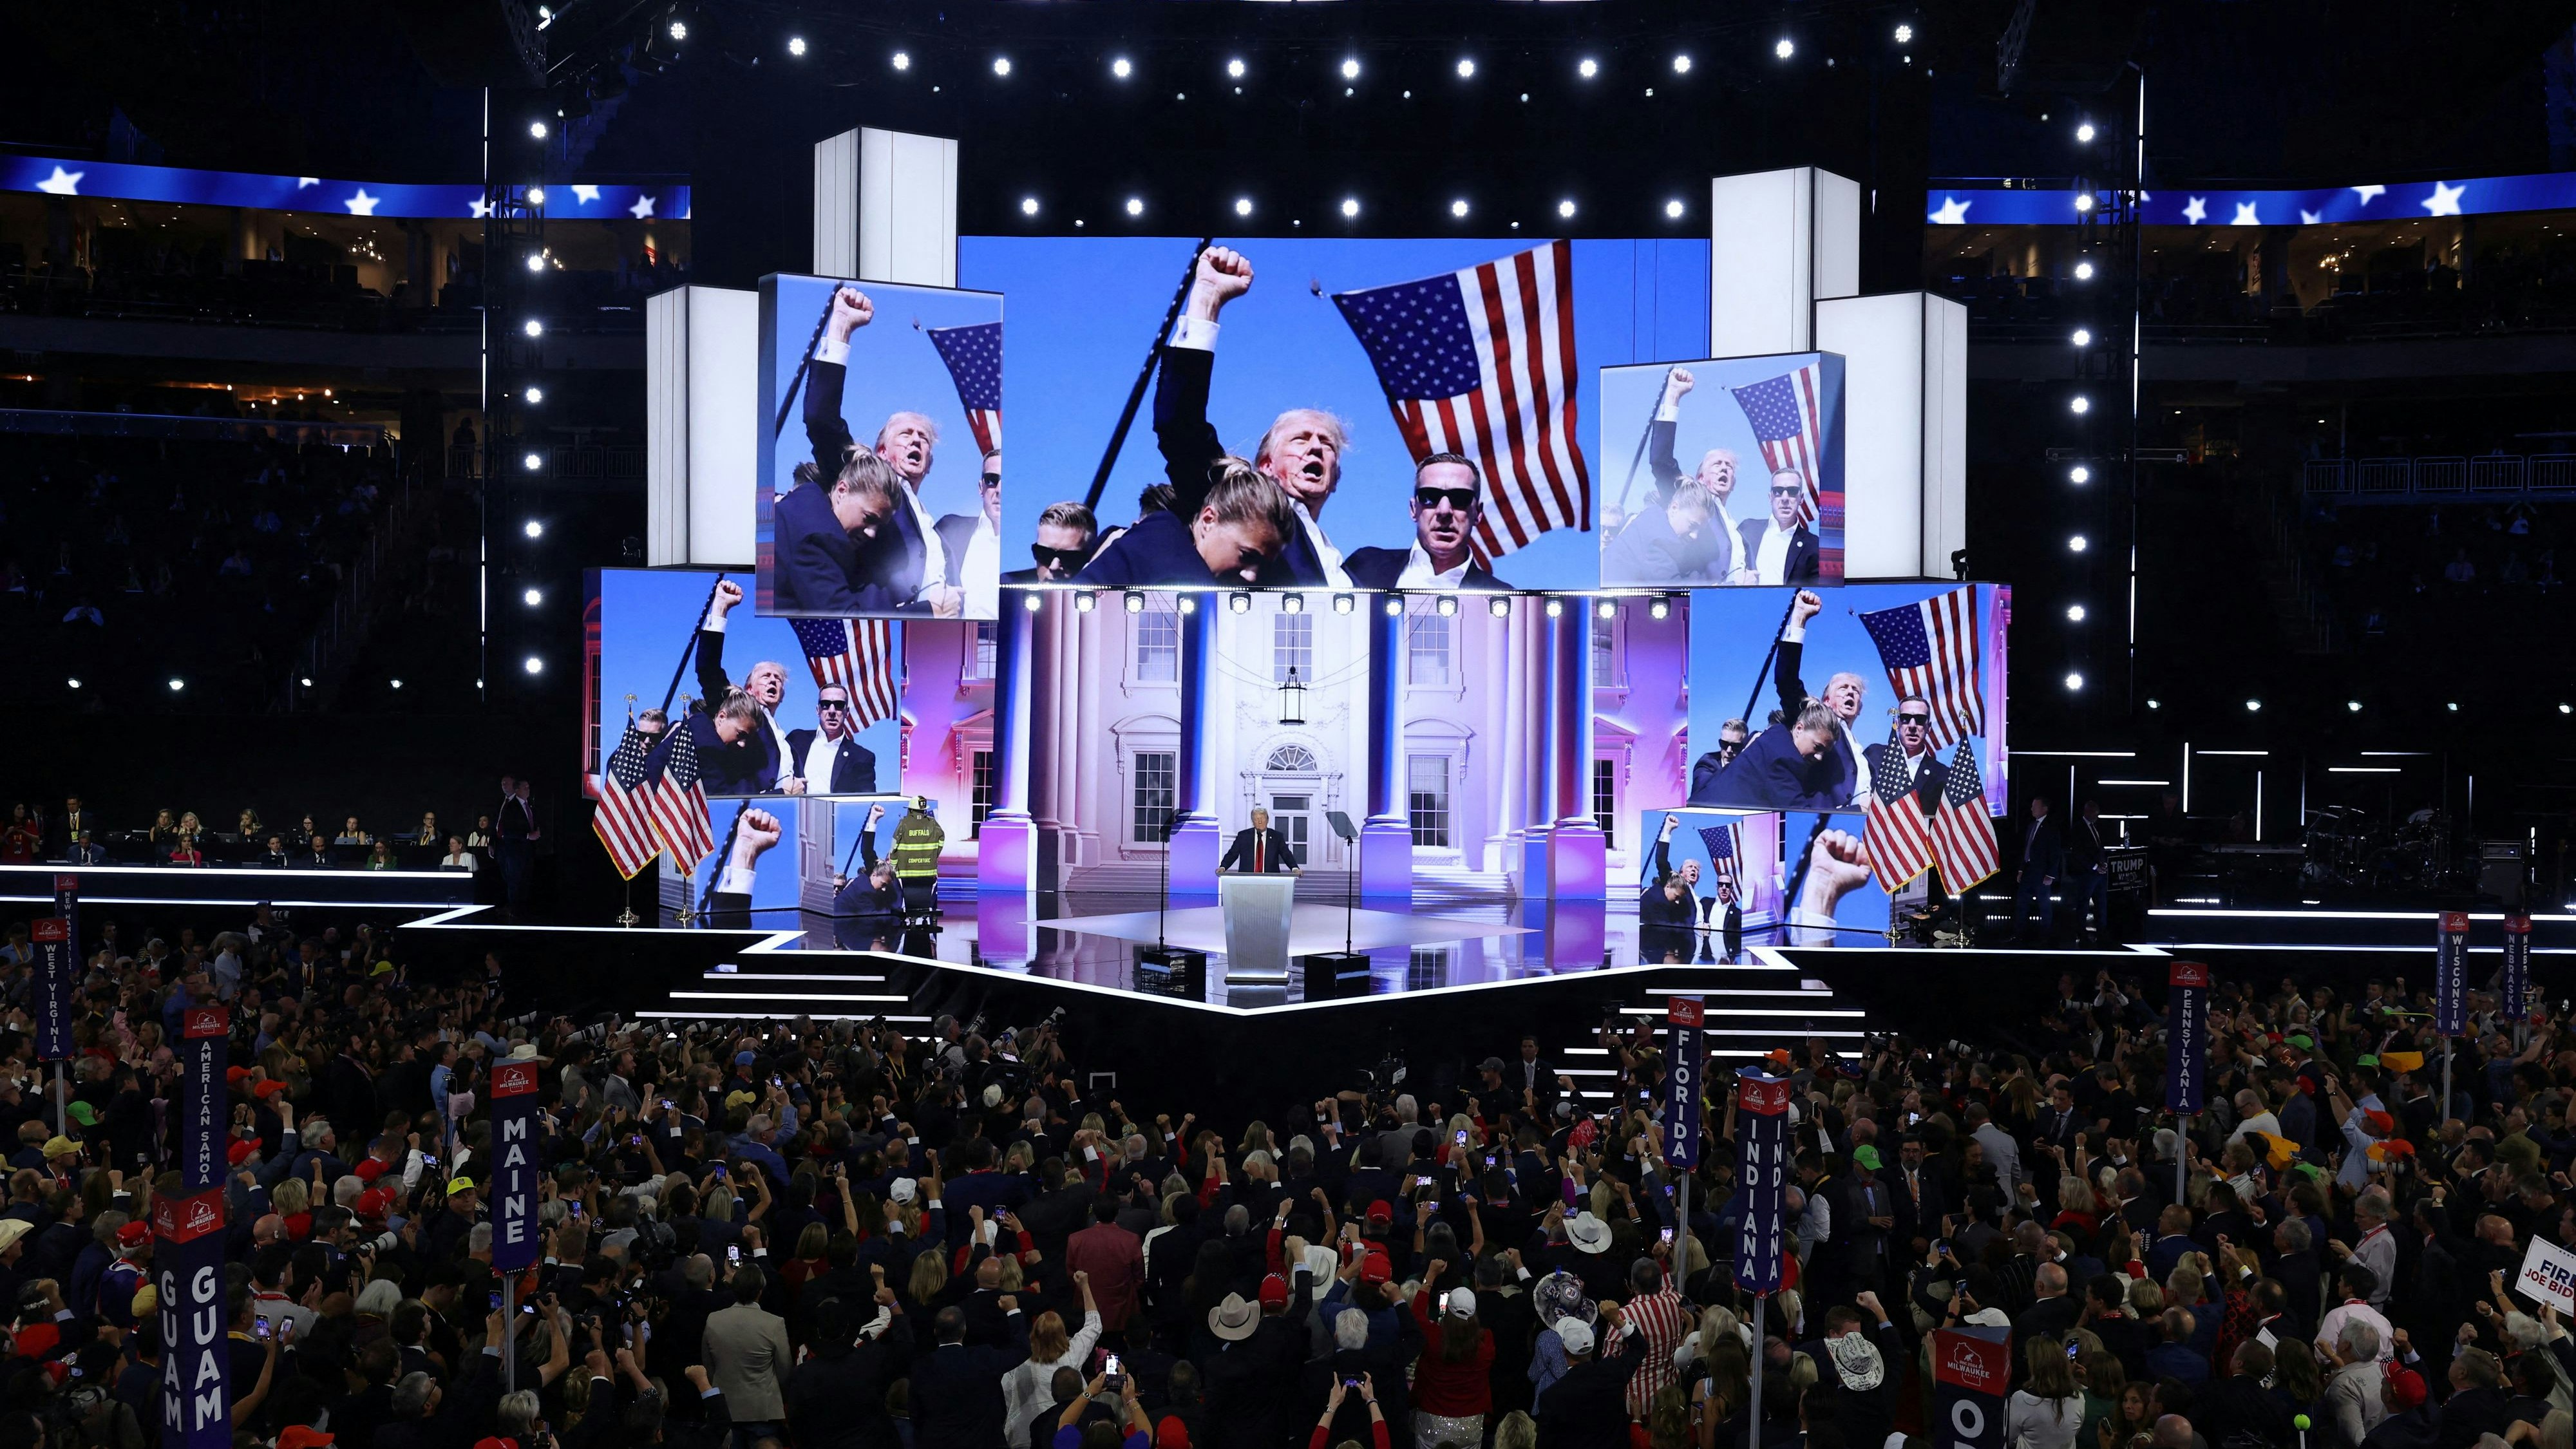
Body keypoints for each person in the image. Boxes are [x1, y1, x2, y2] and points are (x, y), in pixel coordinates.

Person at [1142, 246, 1352, 589]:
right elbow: (1180, 427)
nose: (1315, 448)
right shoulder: (1240, 507)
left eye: (1327, 444)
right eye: (1300, 439)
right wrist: (1207, 301)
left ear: (1336, 478)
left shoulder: (1345, 564)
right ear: (1266, 465)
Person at [784, 285, 954, 617]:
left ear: (930, 464)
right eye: (906, 434)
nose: (916, 441)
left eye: (923, 438)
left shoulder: (937, 527)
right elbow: (820, 418)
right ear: (881, 451)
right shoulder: (863, 479)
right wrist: (841, 328)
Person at [1074, 460, 1300, 589]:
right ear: (1209, 520)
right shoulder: (1166, 550)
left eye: (1263, 566)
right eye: (1247, 556)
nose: (1252, 576)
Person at [1341, 455, 1514, 591]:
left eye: (1460, 498)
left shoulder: (1504, 598)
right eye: (1430, 497)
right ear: (1413, 509)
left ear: (1478, 513)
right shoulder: (1364, 566)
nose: (1444, 510)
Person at [695, 580, 795, 794]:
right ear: (749, 688)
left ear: (782, 695)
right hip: (745, 805)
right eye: (765, 676)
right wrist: (720, 608)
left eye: (778, 678)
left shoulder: (788, 740)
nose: (773, 681)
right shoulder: (737, 709)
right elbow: (708, 669)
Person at [1769, 589, 1867, 804]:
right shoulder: (1815, 721)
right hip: (1823, 818)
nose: (1850, 692)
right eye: (1843, 688)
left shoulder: (1862, 751)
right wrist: (1799, 618)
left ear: (1860, 708)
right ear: (1826, 701)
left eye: (1855, 690)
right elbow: (1787, 682)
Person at [1638, 368, 1739, 574]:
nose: (1724, 468)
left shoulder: (1735, 526)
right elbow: (1661, 461)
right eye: (1717, 464)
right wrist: (1673, 396)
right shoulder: (1687, 497)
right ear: (1700, 477)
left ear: (1734, 483)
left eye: (1729, 466)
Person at [1695, 699, 1846, 811]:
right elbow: (1801, 815)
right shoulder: (1783, 761)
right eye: (1817, 747)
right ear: (1799, 729)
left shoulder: (1774, 737)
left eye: (1824, 752)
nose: (1819, 757)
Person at [703, 1264, 795, 1444]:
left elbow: (708, 1365)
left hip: (725, 1407)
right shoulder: (774, 1324)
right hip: (763, 1410)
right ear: (760, 1291)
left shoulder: (714, 1320)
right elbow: (785, 1370)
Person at [934, 449, 1003, 618]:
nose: (1000, 490)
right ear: (981, 487)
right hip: (951, 633)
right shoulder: (948, 530)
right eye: (992, 480)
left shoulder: (1034, 549)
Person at [786, 683, 880, 796]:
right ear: (818, 710)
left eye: (839, 705)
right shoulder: (797, 740)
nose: (832, 711)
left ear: (847, 712)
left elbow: (867, 800)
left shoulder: (862, 757)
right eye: (825, 704)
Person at [1734, 469, 1822, 585]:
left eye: (1792, 491)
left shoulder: (1815, 546)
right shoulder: (1747, 529)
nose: (1785, 498)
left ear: (1801, 498)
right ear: (1770, 497)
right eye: (1778, 491)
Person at [2010, 796, 2065, 944]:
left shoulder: (2051, 827)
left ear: (2044, 808)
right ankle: (2018, 935)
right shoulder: (2032, 826)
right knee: (2022, 904)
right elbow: (2026, 849)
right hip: (2028, 871)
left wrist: (2050, 875)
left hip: (2042, 873)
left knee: (2044, 905)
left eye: (2035, 806)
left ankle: (2045, 937)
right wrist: (2021, 870)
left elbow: (2055, 852)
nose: (2032, 809)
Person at [1008, 501, 1099, 585]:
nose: (1054, 567)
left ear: (1090, 559)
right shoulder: (1008, 591)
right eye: (1045, 554)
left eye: (1069, 558)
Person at [2066, 800, 2111, 942]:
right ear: (2087, 812)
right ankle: (2082, 933)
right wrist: (2095, 866)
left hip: (2099, 873)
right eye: (2094, 813)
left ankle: (2102, 933)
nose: (2096, 816)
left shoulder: (2096, 827)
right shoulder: (2078, 829)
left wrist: (2103, 864)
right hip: (2086, 873)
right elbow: (2078, 853)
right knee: (2083, 903)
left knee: (2101, 904)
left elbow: (2100, 848)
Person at [494, 776, 540, 914]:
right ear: (517, 790)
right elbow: (506, 832)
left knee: (526, 881)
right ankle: (514, 910)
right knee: (514, 881)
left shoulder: (529, 805)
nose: (528, 790)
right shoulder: (511, 807)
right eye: (525, 787)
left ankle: (523, 910)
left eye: (529, 787)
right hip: (514, 852)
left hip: (528, 851)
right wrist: (527, 836)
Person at [1686, 719, 1751, 804]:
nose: (1729, 750)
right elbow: (1707, 792)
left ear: (1745, 747)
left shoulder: (1750, 768)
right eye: (1724, 744)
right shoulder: (1706, 764)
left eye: (1736, 746)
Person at [1220, 809, 1298, 875]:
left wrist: (1294, 868)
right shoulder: (1243, 836)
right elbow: (1232, 854)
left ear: (1267, 820)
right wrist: (1223, 867)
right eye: (1256, 819)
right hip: (1247, 879)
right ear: (1253, 822)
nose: (1260, 822)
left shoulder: (1277, 837)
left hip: (1271, 879)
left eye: (1262, 818)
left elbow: (1286, 854)